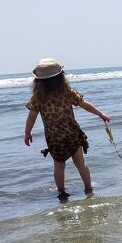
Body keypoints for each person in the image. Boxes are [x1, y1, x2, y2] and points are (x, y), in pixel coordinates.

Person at [24, 58, 111, 199]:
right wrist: (101, 114)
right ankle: (88, 188)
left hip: (54, 138)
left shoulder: (38, 97)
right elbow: (85, 105)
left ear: (38, 81)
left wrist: (27, 133)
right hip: (72, 134)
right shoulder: (67, 92)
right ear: (61, 77)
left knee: (59, 166)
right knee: (80, 163)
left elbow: (32, 117)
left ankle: (61, 192)